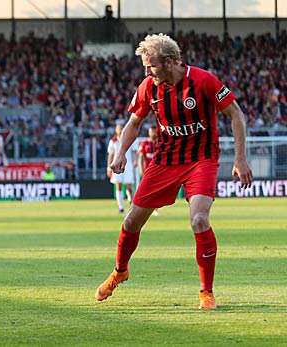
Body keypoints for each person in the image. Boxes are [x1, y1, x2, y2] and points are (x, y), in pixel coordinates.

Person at [94, 33, 253, 309]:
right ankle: (120, 270)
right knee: (131, 222)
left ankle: (206, 292)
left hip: (201, 160)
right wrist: (120, 153)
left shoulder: (203, 81)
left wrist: (240, 159)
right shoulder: (148, 87)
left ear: (170, 62)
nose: (147, 72)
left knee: (199, 220)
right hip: (165, 162)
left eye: (151, 66)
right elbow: (134, 122)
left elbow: (236, 114)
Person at [107, 124, 136, 213]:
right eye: (118, 129)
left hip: (128, 165)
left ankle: (130, 200)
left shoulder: (129, 139)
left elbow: (134, 152)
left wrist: (135, 161)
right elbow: (111, 154)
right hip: (116, 165)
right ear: (116, 130)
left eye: (121, 128)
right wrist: (108, 167)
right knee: (118, 186)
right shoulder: (113, 141)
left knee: (129, 187)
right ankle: (120, 206)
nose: (120, 130)